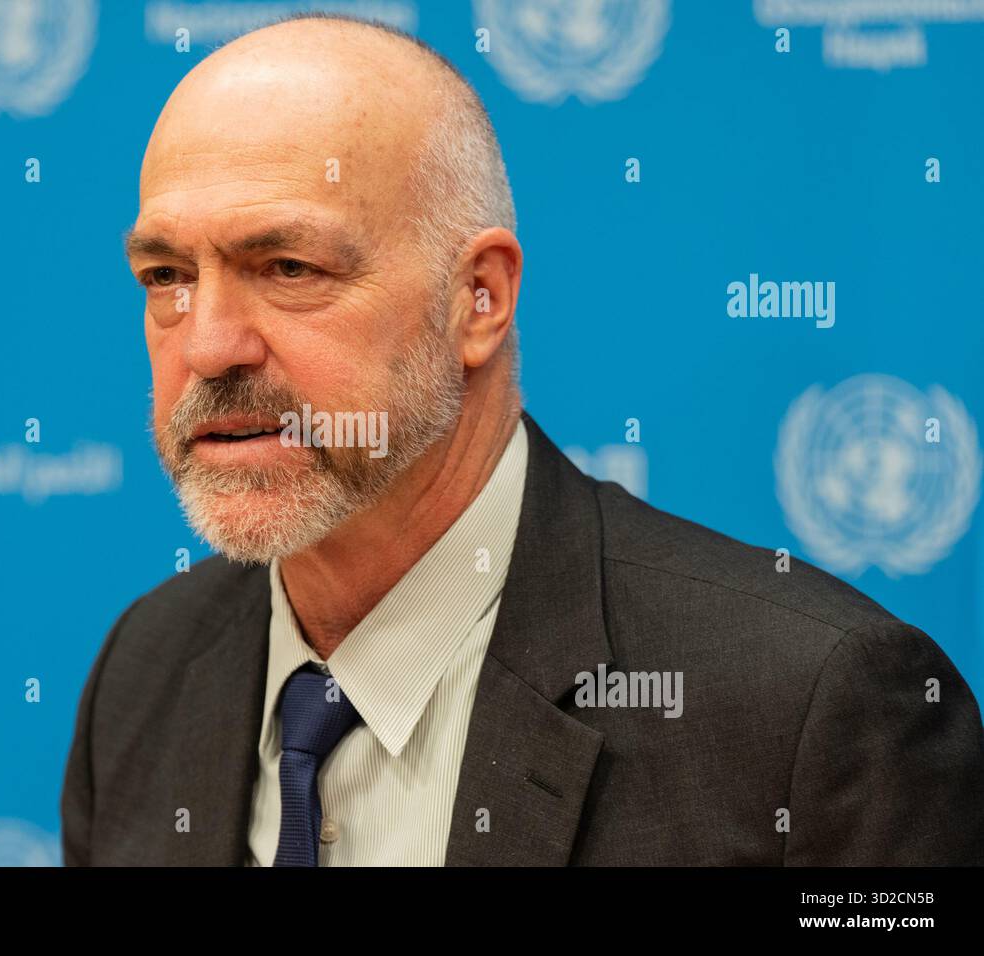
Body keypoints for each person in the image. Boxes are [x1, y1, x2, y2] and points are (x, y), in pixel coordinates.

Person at [61, 12, 984, 866]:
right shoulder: (146, 673)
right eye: (166, 274)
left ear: (480, 300)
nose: (210, 343)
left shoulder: (812, 711)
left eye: (289, 267)